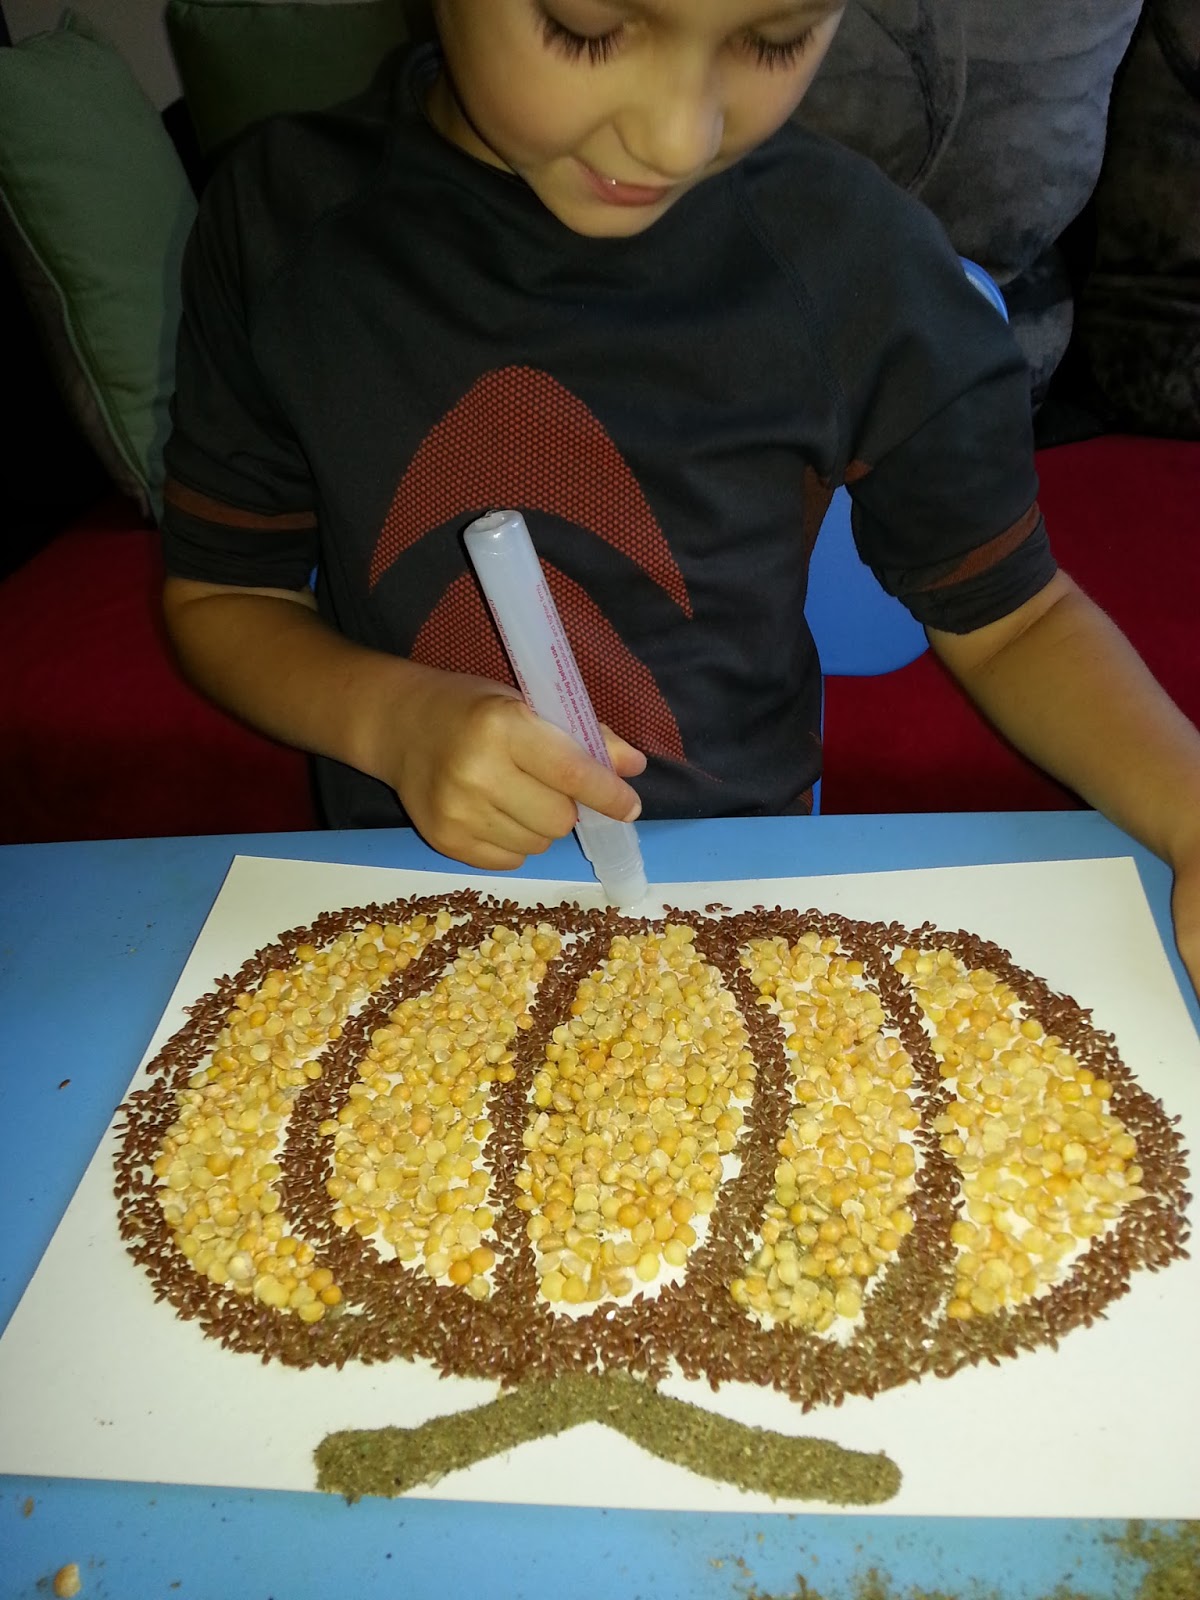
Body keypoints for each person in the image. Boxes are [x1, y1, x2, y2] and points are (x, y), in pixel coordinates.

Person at [160, 0, 1200, 997]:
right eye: (586, 30)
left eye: (774, 40)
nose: (676, 135)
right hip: (404, 896)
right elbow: (224, 598)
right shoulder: (282, 223)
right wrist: (392, 722)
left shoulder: (859, 260)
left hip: (742, 898)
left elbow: (1019, 620)